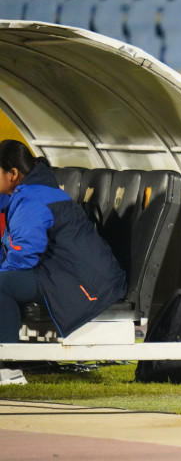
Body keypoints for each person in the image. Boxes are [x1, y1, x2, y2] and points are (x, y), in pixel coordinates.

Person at [0, 140, 127, 385]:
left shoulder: (33, 198)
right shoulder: (26, 191)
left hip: (83, 283)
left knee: (2, 284)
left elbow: (23, 254)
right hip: (62, 273)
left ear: (13, 174)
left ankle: (8, 368)